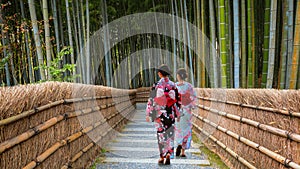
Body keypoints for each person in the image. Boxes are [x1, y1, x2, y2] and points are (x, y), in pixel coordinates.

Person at [146, 64, 181, 165]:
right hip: (170, 112)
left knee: (161, 134)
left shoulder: (156, 85)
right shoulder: (173, 85)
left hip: (159, 113)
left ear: (160, 73)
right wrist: (178, 113)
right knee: (170, 134)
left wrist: (149, 112)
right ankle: (169, 153)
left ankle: (162, 156)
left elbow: (151, 99)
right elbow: (177, 100)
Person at [175, 68, 197, 157]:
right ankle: (183, 151)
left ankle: (179, 143)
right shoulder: (189, 86)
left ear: (178, 75)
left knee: (178, 129)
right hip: (187, 110)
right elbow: (194, 97)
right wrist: (192, 106)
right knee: (186, 130)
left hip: (178, 111)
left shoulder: (175, 86)